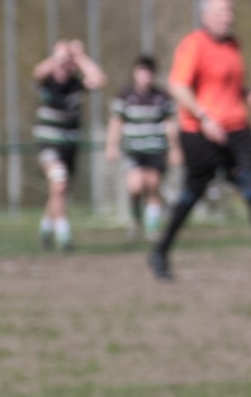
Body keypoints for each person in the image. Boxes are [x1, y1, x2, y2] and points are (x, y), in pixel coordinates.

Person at [150, 0, 251, 282]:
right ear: (205, 17)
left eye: (230, 11)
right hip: (201, 134)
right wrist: (204, 118)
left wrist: (248, 94)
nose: (228, 16)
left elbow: (227, 85)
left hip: (237, 131)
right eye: (221, 12)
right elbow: (178, 87)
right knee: (192, 193)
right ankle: (160, 251)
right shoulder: (193, 45)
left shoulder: (233, 45)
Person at [32, 38, 106, 251]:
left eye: (67, 62)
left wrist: (80, 57)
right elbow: (37, 71)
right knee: (59, 182)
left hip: (69, 145)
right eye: (61, 62)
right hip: (48, 143)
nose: (64, 66)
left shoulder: (76, 83)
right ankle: (64, 235)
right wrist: (59, 55)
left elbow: (99, 79)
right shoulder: (46, 81)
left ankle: (46, 227)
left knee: (58, 190)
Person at [107, 55, 180, 239]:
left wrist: (175, 148)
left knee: (153, 183)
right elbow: (116, 122)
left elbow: (170, 124)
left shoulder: (161, 97)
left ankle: (152, 228)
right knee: (136, 185)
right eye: (142, 71)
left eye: (149, 72)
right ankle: (135, 220)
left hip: (156, 150)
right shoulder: (125, 96)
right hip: (133, 150)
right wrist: (112, 145)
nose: (145, 76)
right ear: (135, 73)